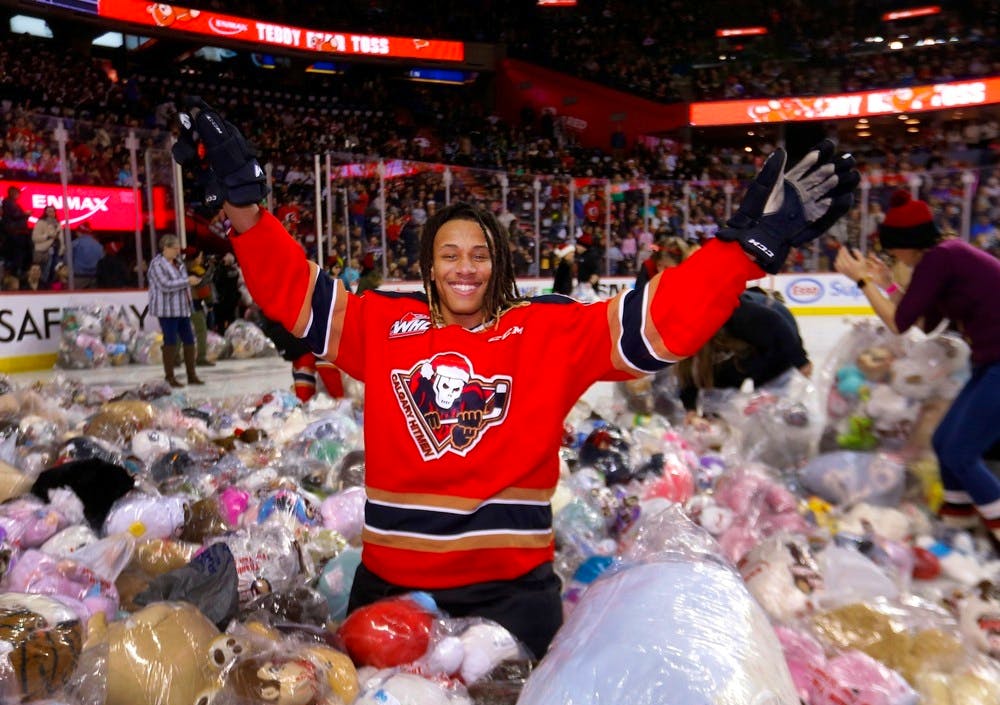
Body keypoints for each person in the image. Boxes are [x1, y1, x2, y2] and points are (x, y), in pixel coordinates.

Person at [174, 102, 857, 657]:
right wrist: (245, 213)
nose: (465, 267)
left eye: (480, 254)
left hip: (514, 595)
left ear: (499, 266)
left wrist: (740, 254)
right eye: (450, 254)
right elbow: (292, 291)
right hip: (389, 586)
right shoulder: (382, 326)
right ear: (430, 266)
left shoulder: (548, 331)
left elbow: (659, 325)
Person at [835, 190, 1000, 544]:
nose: (891, 255)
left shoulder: (941, 258)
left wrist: (863, 282)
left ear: (906, 244)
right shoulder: (943, 259)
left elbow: (897, 323)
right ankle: (958, 525)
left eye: (892, 248)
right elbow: (922, 322)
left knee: (962, 452)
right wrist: (886, 285)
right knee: (943, 442)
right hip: (990, 360)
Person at [675, 289, 812, 412]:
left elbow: (776, 326)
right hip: (740, 347)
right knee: (717, 398)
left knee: (767, 404)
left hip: (774, 340)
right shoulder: (688, 335)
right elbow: (687, 371)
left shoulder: (736, 312)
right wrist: (691, 409)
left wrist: (801, 360)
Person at [147, 233, 203, 388]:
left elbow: (181, 285)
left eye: (178, 248)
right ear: (165, 248)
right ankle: (169, 376)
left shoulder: (179, 263)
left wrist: (192, 284)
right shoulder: (157, 265)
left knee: (189, 340)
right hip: (167, 310)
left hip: (182, 309)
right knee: (170, 341)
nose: (178, 251)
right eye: (175, 248)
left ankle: (192, 375)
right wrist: (187, 281)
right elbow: (165, 285)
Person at [184, 246, 216, 367]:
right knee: (201, 330)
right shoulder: (197, 270)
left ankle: (176, 357)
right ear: (196, 258)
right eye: (200, 256)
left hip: (179, 305)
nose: (201, 259)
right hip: (194, 305)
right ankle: (201, 357)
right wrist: (210, 304)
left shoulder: (180, 269)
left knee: (179, 331)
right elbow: (204, 289)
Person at [31, 205, 61, 281]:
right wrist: (48, 236)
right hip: (44, 252)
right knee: (44, 273)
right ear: (45, 212)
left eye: (53, 211)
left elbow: (61, 238)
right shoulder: (41, 223)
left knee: (55, 273)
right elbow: (35, 238)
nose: (51, 213)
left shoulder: (58, 224)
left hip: (56, 251)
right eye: (49, 211)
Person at [70, 223, 103, 289]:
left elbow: (67, 259)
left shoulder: (75, 243)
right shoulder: (99, 245)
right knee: (92, 298)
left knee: (76, 298)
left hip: (78, 277)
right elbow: (102, 261)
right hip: (94, 277)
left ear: (78, 232)